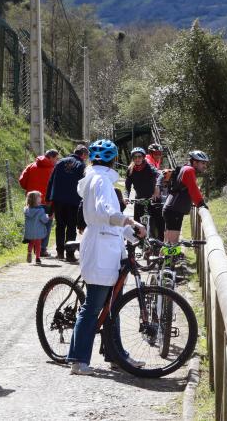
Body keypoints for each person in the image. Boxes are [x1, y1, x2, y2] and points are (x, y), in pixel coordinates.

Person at [67, 139, 145, 375]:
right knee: (93, 306)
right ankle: (79, 361)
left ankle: (115, 355)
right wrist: (129, 220)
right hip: (101, 250)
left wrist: (133, 234)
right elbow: (106, 213)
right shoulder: (101, 180)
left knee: (114, 306)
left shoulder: (97, 179)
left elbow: (110, 220)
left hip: (107, 247)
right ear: (113, 161)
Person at [46, 145, 89, 262]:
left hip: (58, 200)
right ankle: (70, 254)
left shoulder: (60, 163)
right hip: (74, 201)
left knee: (60, 226)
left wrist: (49, 199)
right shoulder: (81, 166)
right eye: (86, 156)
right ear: (83, 155)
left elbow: (51, 181)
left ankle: (60, 253)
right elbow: (84, 185)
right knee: (71, 227)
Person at [162, 150, 210, 244]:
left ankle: (161, 258)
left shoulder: (186, 169)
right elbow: (193, 190)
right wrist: (201, 204)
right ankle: (164, 258)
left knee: (168, 243)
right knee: (172, 243)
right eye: (203, 163)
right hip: (174, 211)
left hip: (172, 209)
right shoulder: (189, 170)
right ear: (195, 162)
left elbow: (189, 188)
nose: (205, 166)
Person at [19, 149, 59, 257]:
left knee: (32, 224)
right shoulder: (54, 169)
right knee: (46, 225)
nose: (57, 161)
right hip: (47, 201)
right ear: (50, 157)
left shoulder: (31, 166)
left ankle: (32, 247)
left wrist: (30, 189)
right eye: (56, 158)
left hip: (32, 201)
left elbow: (22, 181)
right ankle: (42, 249)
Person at [124, 147, 160, 225]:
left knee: (157, 223)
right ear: (132, 158)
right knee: (137, 225)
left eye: (139, 156)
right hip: (139, 199)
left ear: (143, 157)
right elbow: (127, 187)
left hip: (153, 198)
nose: (137, 159)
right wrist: (126, 197)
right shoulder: (130, 170)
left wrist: (157, 189)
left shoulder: (149, 167)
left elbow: (159, 175)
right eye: (135, 157)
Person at [24, 191, 51, 265]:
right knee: (38, 244)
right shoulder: (40, 210)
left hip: (29, 231)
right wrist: (48, 217)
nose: (41, 198)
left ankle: (29, 252)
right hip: (38, 231)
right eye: (39, 197)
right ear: (35, 200)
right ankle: (37, 258)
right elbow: (44, 220)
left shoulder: (26, 210)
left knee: (31, 242)